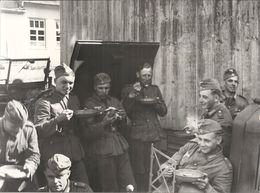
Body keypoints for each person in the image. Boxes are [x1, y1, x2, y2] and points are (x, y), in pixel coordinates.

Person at [34, 64, 88, 186]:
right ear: (54, 82)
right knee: (57, 187)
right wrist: (58, 120)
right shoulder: (44, 102)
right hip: (55, 154)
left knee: (82, 186)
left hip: (74, 152)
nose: (68, 86)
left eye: (71, 83)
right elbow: (38, 129)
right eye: (63, 82)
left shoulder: (74, 99)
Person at [81, 72, 135, 192]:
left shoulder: (115, 101)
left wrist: (123, 118)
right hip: (102, 148)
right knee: (109, 186)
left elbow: (128, 125)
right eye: (101, 88)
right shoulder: (89, 103)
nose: (104, 91)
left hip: (120, 145)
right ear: (95, 87)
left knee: (129, 183)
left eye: (107, 88)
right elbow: (87, 133)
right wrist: (104, 123)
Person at [121, 62, 167, 192]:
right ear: (138, 75)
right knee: (140, 169)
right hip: (139, 136)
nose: (147, 78)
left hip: (155, 134)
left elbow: (163, 111)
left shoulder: (155, 89)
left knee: (156, 167)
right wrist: (133, 94)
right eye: (144, 75)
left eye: (149, 75)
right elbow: (125, 110)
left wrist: (155, 104)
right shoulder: (128, 89)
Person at [160, 119, 233, 193]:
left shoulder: (223, 167)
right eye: (200, 139)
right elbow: (169, 163)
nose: (201, 144)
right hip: (169, 188)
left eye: (207, 141)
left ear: (218, 140)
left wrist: (207, 187)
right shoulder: (190, 147)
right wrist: (165, 170)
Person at [0, 100, 40, 191]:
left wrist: (30, 166)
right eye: (14, 128)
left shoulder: (29, 129)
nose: (18, 133)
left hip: (21, 173)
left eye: (21, 128)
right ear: (4, 119)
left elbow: (34, 155)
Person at [199, 78, 233, 157]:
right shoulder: (208, 112)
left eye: (205, 97)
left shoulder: (222, 119)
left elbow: (219, 150)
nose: (200, 100)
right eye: (200, 96)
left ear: (216, 98)